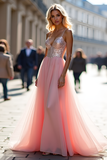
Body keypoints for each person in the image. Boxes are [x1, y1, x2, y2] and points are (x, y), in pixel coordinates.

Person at [9, 4, 107, 157]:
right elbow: (46, 56)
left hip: (58, 69)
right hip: (46, 68)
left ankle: (55, 144)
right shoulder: (49, 33)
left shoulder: (67, 32)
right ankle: (46, 143)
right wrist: (40, 76)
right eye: (52, 16)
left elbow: (68, 56)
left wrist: (62, 75)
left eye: (57, 15)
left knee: (53, 105)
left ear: (62, 16)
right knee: (43, 105)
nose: (55, 18)